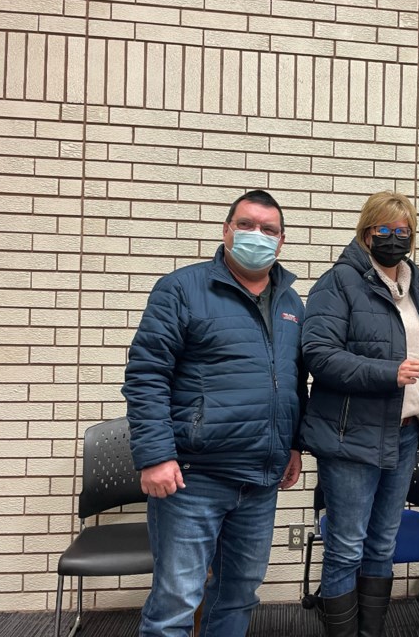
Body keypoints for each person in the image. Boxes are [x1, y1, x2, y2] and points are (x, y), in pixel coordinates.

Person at [122, 189, 308, 637]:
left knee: (239, 594)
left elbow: (293, 382)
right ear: (226, 230)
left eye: (268, 230)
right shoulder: (182, 289)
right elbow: (146, 375)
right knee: (176, 601)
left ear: (281, 242)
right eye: (246, 225)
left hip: (261, 478)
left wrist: (294, 445)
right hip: (194, 476)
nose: (256, 236)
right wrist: (154, 456)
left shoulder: (292, 304)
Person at [299, 191, 419, 637]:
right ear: (366, 233)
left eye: (403, 231)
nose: (394, 238)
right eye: (384, 229)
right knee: (345, 547)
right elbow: (318, 354)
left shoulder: (415, 284)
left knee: (382, 544)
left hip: (402, 435)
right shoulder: (339, 282)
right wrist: (388, 372)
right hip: (350, 436)